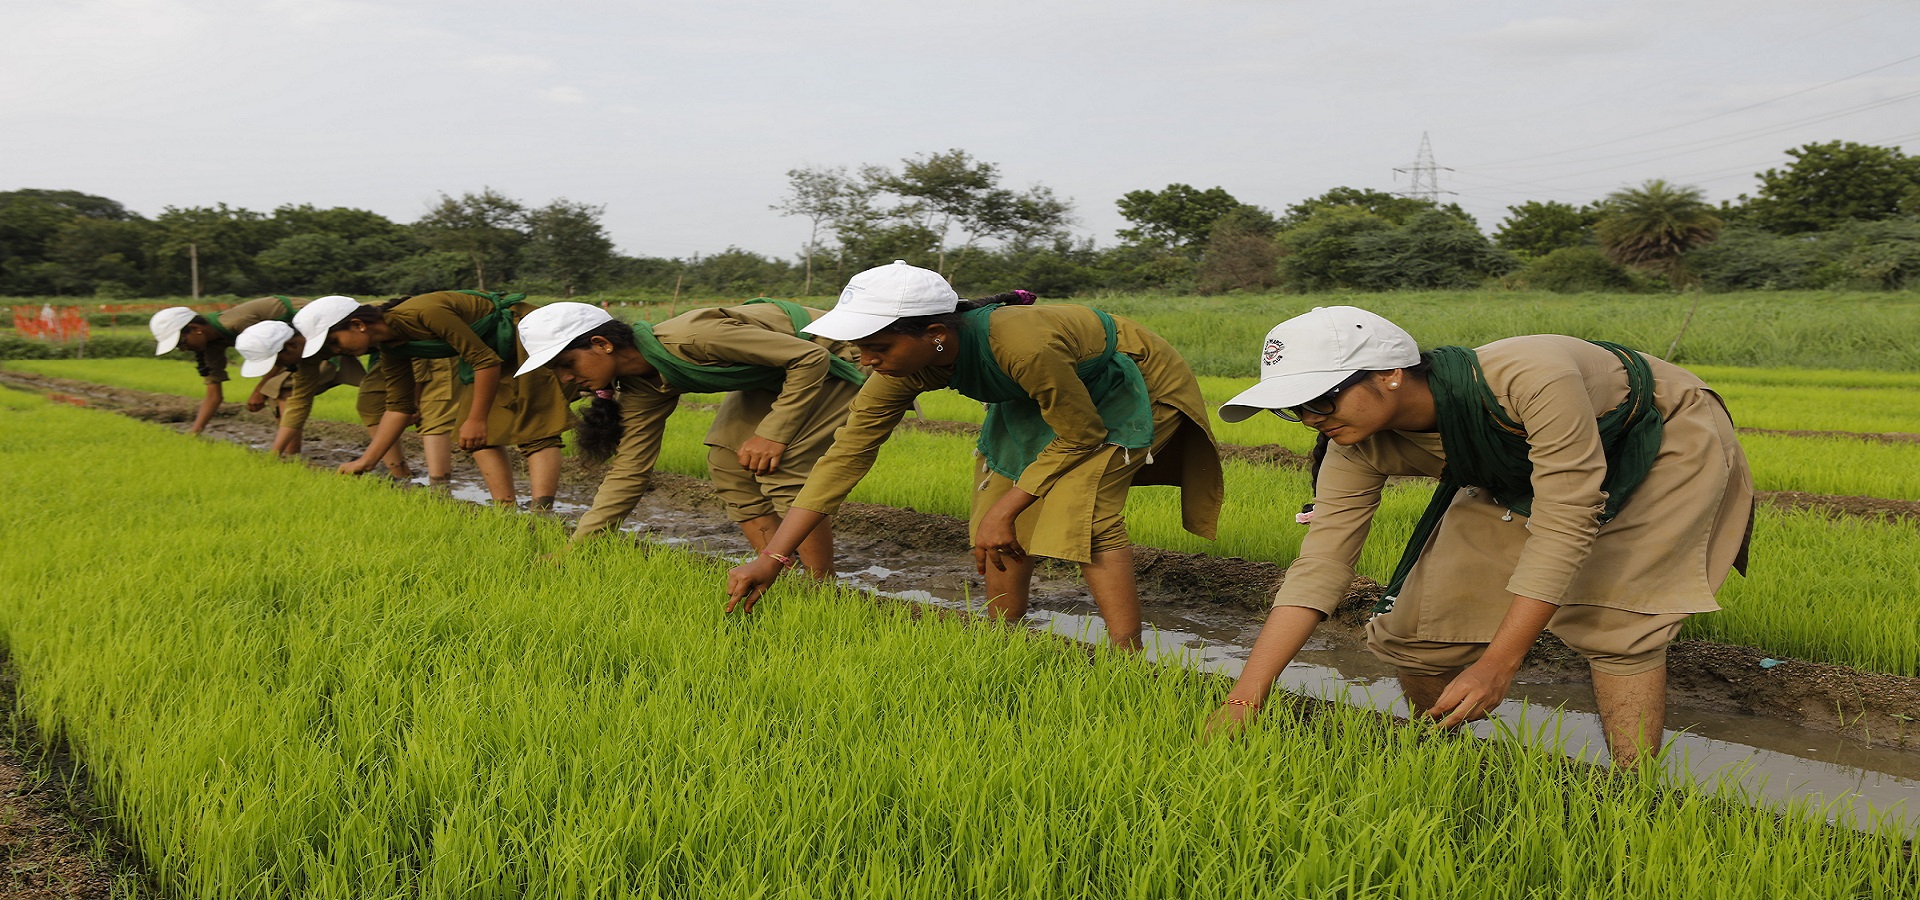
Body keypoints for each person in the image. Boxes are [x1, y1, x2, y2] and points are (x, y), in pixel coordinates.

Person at [1207, 306, 1752, 765]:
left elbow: (1566, 518)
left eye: (1320, 399)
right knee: (1414, 633)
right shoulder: (1354, 440)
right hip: (1519, 468)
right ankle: (1451, 765)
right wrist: (1245, 699)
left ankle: (1635, 800)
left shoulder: (1528, 378)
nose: (1308, 418)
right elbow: (1321, 564)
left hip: (1657, 441)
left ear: (1390, 373)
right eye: (1292, 407)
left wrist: (1498, 662)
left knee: (1616, 621)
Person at [725, 261, 1224, 649]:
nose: (865, 360)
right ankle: (1001, 636)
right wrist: (773, 557)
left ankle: (1125, 654)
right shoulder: (904, 366)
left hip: (1125, 384)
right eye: (858, 347)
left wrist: (1009, 513)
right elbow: (844, 457)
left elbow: (1081, 434)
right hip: (1039, 392)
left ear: (937, 335)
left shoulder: (1023, 345)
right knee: (996, 494)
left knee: (1081, 508)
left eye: (877, 346)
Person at [516, 300, 868, 573]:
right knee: (728, 463)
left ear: (601, 343)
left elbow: (808, 358)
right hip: (780, 375)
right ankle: (780, 568)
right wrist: (577, 546)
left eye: (567, 364)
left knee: (779, 465)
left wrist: (774, 435)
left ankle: (821, 585)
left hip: (838, 357)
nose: (565, 378)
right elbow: (630, 470)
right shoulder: (642, 386)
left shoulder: (692, 338)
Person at [294, 292, 569, 508]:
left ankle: (541, 514)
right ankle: (505, 509)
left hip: (522, 336)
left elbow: (484, 361)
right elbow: (399, 407)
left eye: (334, 343)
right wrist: (366, 461)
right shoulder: (391, 348)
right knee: (474, 436)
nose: (336, 352)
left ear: (357, 325)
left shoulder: (424, 312)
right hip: (490, 353)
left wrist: (478, 419)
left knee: (535, 428)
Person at [233, 320, 419, 478]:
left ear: (292, 345)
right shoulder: (307, 356)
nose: (281, 367)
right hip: (388, 351)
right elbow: (299, 401)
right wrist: (274, 454)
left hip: (411, 341)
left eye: (280, 361)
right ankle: (399, 472)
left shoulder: (333, 332)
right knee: (370, 403)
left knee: (387, 404)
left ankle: (421, 477)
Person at [150, 296, 306, 434]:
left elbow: (278, 353)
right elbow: (213, 395)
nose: (184, 350)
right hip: (291, 348)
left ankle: (286, 455)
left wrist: (260, 390)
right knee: (276, 393)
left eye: (182, 343)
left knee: (281, 389)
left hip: (309, 332)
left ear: (195, 329)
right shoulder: (209, 346)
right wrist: (195, 433)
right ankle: (286, 454)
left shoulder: (238, 323)